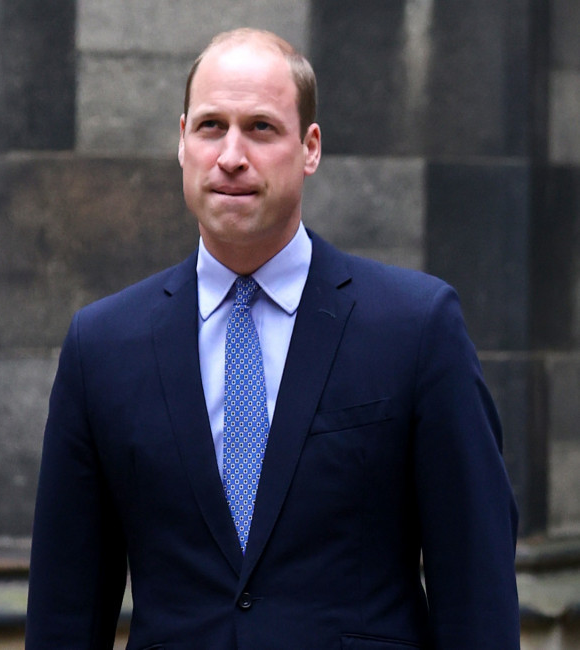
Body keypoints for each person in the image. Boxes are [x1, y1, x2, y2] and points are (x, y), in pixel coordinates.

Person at [26, 28, 521, 649]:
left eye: (261, 128)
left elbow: (476, 584)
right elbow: (65, 608)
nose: (231, 155)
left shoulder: (416, 327)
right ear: (181, 141)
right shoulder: (101, 346)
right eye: (211, 127)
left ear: (309, 148)